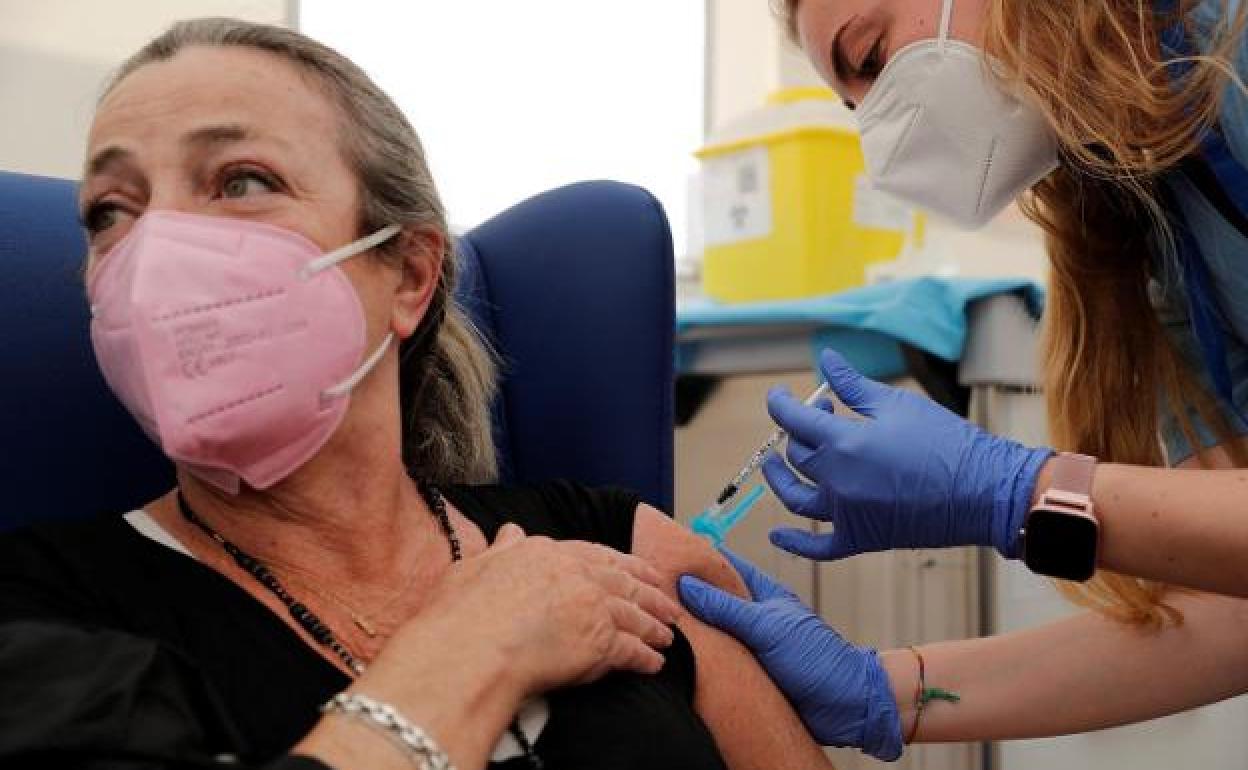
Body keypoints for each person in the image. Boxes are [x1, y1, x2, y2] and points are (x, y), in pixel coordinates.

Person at [0, 18, 840, 770]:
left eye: (241, 181)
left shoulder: (605, 541)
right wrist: (479, 642)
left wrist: (904, 682)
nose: (156, 248)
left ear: (407, 274)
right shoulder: (40, 610)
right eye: (111, 211)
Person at [679, 0, 1248, 762]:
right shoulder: (1162, 229)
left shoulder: (1232, 53)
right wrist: (886, 688)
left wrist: (1021, 490)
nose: (883, 140)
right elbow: (1231, 602)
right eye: (858, 104)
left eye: (874, 56)